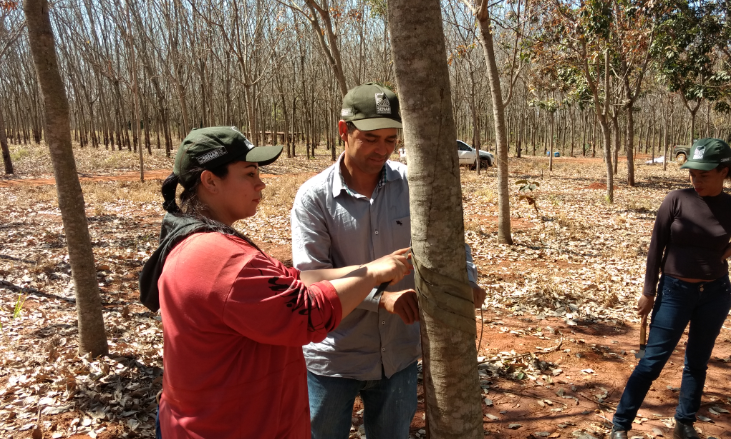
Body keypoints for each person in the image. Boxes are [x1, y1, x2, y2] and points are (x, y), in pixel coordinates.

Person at [138, 126, 412, 439]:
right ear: (210, 181)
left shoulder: (197, 241)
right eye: (249, 174)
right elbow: (310, 313)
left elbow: (290, 283)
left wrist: (369, 266)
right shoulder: (221, 258)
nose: (261, 184)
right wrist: (373, 275)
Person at [291, 83, 486, 439]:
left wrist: (467, 281)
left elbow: (454, 242)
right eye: (369, 138)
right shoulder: (314, 197)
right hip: (334, 355)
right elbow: (310, 278)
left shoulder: (414, 185)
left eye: (390, 139)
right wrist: (382, 298)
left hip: (398, 355)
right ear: (343, 131)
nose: (381, 149)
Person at [609, 138, 731, 439]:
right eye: (693, 174)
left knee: (697, 362)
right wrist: (648, 291)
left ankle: (685, 422)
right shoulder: (676, 200)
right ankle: (621, 425)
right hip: (674, 293)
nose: (696, 180)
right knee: (651, 362)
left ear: (724, 171)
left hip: (715, 295)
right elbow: (657, 246)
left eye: (704, 175)